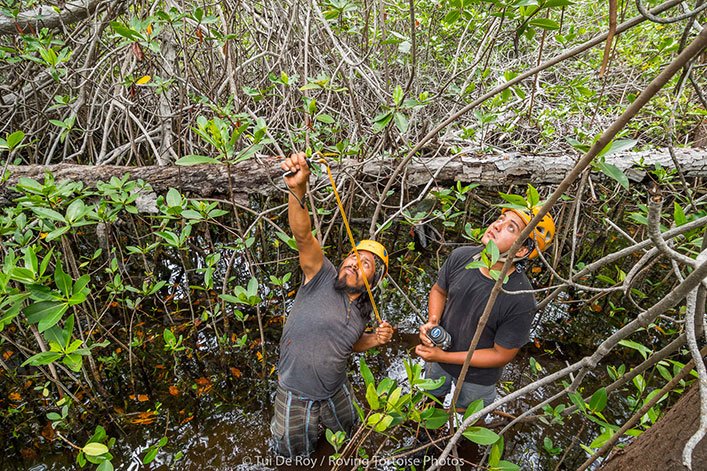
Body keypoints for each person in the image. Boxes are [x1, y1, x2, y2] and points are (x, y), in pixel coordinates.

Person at [271, 152, 394, 458]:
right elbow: (302, 235)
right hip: (294, 393)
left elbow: (348, 345)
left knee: (349, 440)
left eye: (365, 264)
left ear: (374, 281)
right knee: (292, 456)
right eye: (353, 256)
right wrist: (298, 191)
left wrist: (374, 340)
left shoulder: (365, 310)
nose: (353, 262)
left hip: (336, 390)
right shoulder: (320, 275)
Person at [416, 205, 555, 410]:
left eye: (511, 227)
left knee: (470, 425)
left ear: (523, 250)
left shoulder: (520, 298)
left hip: (478, 377)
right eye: (501, 218)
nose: (498, 225)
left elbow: (502, 354)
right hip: (438, 355)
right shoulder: (461, 257)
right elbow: (439, 291)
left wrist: (444, 356)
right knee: (429, 405)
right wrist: (433, 321)